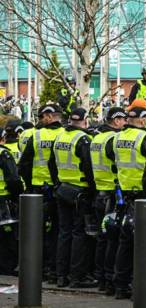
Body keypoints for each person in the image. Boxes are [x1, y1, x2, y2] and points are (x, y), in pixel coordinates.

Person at [111, 104, 146, 299]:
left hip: (124, 194)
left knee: (125, 242)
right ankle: (142, 286)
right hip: (143, 197)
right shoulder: (144, 138)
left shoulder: (117, 137)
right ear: (143, 120)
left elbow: (112, 158)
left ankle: (121, 285)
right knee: (144, 244)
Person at [18, 103, 65, 283]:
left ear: (48, 116)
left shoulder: (36, 135)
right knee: (57, 230)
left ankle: (38, 268)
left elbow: (23, 164)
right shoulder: (64, 135)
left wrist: (29, 185)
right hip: (58, 189)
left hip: (38, 190)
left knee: (37, 230)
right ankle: (54, 269)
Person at [49, 108, 95, 288]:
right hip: (80, 192)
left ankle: (60, 275)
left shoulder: (60, 137)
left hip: (62, 189)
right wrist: (92, 189)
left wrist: (57, 183)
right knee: (78, 234)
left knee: (63, 232)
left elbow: (51, 164)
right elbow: (89, 168)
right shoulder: (83, 139)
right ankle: (77, 276)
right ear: (85, 120)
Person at [90, 106, 127, 294]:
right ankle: (110, 279)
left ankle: (101, 278)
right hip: (113, 195)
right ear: (116, 120)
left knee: (102, 238)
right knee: (113, 239)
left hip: (99, 192)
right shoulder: (114, 139)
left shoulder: (97, 138)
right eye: (122, 119)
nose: (125, 122)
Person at [0, 134, 23, 276]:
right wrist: (18, 195)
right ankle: (6, 267)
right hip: (3, 199)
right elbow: (13, 179)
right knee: (6, 236)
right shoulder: (3, 154)